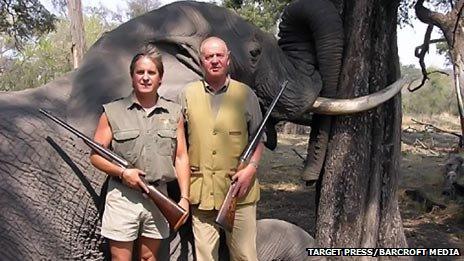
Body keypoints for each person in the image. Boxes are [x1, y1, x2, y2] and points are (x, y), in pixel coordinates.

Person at [90, 45, 190, 261]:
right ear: (132, 77)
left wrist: (184, 198)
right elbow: (95, 156)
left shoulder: (174, 113)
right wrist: (122, 173)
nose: (145, 77)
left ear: (160, 78)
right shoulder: (112, 112)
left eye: (151, 72)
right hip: (123, 197)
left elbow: (181, 156)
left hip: (159, 195)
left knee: (148, 258)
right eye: (140, 72)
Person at [178, 36, 265, 261]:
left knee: (245, 256)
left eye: (219, 55)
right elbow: (178, 145)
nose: (214, 60)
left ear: (228, 59)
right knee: (204, 257)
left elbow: (258, 139)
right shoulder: (187, 94)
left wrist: (251, 169)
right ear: (201, 62)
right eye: (209, 56)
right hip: (201, 192)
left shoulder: (247, 94)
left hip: (240, 192)